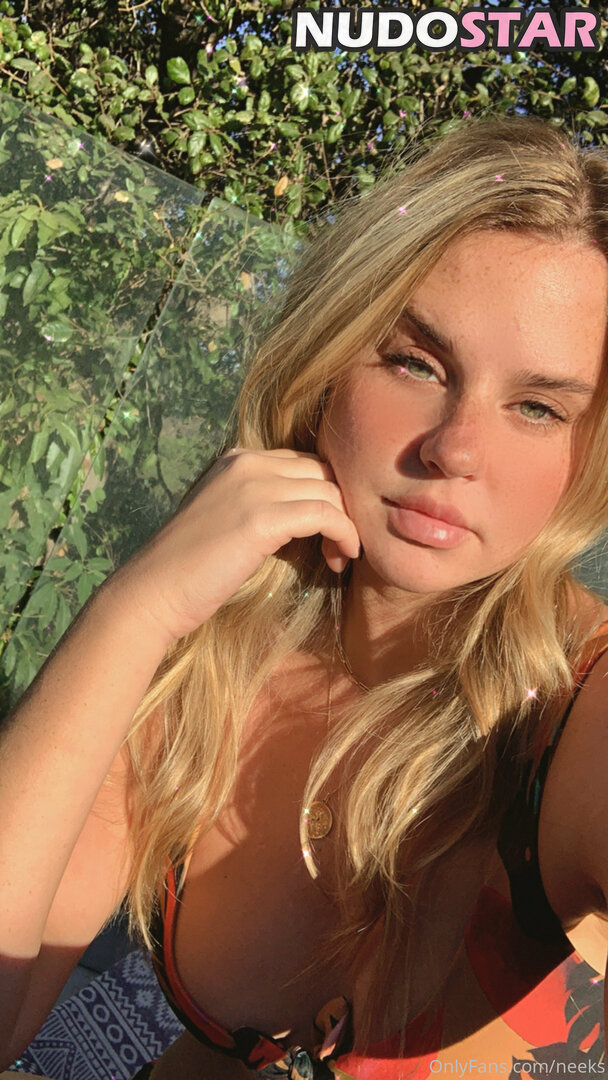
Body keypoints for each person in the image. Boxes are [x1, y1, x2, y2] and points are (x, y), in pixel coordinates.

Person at [2, 113, 608, 1079]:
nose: (455, 450)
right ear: (327, 360)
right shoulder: (206, 661)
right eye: (415, 362)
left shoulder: (577, 710)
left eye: (538, 407)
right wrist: (135, 610)